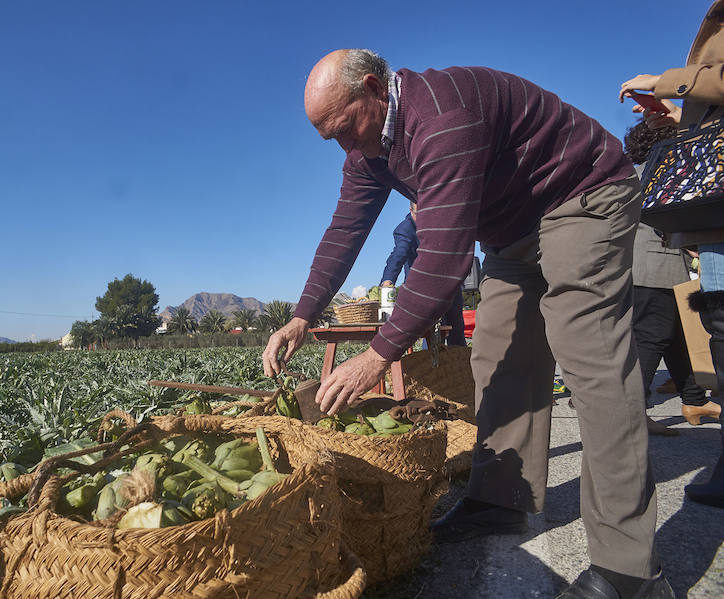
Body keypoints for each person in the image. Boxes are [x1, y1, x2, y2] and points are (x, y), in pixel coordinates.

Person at [263, 48, 671, 598]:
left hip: (581, 194)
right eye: (331, 137)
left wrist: (378, 356)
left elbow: (444, 257)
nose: (345, 146)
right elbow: (344, 231)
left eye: (346, 128)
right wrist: (301, 316)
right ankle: (503, 502)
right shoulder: (369, 148)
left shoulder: (441, 116)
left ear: (373, 87)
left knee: (590, 355)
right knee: (497, 352)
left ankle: (631, 571)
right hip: (513, 227)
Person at [620, 0, 724, 509]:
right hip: (659, 259)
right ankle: (646, 409)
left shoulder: (637, 173)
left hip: (660, 257)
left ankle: (690, 400)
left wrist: (666, 83)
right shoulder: (649, 176)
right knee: (664, 330)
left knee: (675, 330)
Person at [622, 121, 717, 436]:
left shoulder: (633, 172)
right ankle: (633, 415)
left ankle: (693, 400)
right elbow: (673, 214)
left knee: (677, 337)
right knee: (651, 337)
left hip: (645, 265)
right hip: (655, 266)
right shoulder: (660, 171)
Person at [381, 201, 467, 347]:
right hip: (423, 291)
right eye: (418, 213)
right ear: (411, 209)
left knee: (456, 332)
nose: (424, 219)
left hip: (449, 286)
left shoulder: (440, 222)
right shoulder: (405, 229)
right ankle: (429, 366)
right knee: (432, 332)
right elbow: (399, 254)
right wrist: (388, 280)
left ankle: (460, 367)